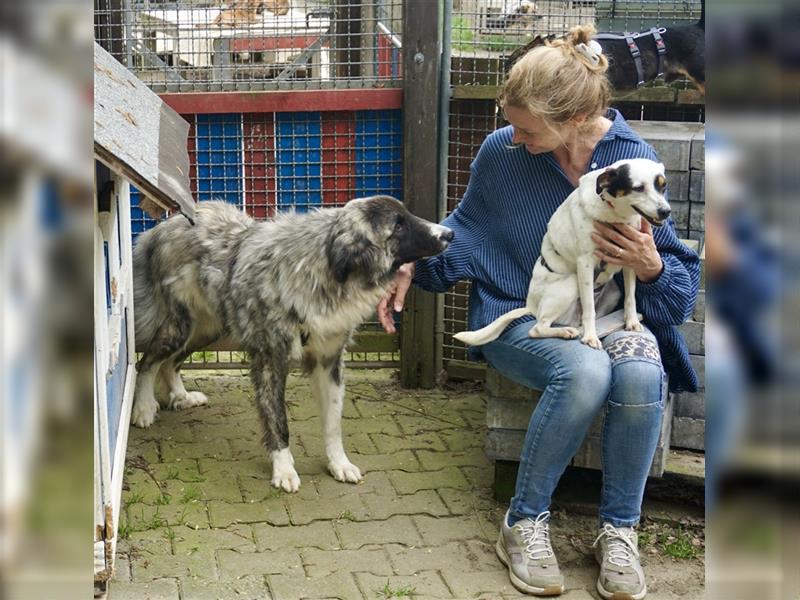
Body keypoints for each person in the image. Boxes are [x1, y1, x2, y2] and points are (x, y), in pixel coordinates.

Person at [377, 25, 700, 599]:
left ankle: (619, 532)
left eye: (525, 127)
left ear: (574, 119)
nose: (511, 134)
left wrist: (649, 266)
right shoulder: (502, 154)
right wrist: (412, 262)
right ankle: (523, 522)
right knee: (584, 371)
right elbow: (468, 230)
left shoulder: (634, 162)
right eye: (510, 119)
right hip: (522, 311)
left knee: (641, 371)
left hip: (610, 314)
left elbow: (677, 290)